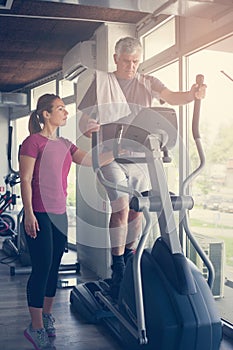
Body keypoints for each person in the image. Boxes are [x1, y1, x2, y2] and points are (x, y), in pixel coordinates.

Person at [78, 36, 206, 300]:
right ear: (116, 58)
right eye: (126, 61)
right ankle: (118, 268)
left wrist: (192, 95)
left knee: (138, 211)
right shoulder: (102, 82)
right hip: (110, 156)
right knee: (122, 207)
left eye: (136, 61)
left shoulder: (148, 81)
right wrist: (88, 126)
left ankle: (130, 256)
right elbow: (84, 120)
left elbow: (172, 96)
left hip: (140, 157)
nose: (131, 66)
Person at [19, 93, 113, 350]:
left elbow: (92, 161)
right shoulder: (32, 142)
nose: (65, 112)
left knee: (54, 266)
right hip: (38, 212)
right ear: (46, 114)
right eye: (60, 108)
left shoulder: (65, 144)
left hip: (59, 213)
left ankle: (47, 316)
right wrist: (28, 213)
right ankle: (35, 327)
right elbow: (25, 180)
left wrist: (118, 149)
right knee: (41, 266)